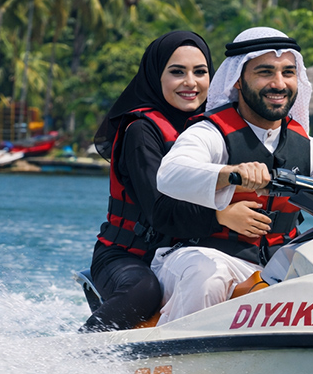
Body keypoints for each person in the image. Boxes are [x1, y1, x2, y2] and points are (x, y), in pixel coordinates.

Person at [152, 27, 313, 324]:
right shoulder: (209, 134)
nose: (278, 84)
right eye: (265, 72)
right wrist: (231, 174)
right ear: (237, 80)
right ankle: (179, 349)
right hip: (202, 255)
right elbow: (169, 175)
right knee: (208, 276)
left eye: (288, 73)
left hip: (278, 262)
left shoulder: (309, 149)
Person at [81, 31, 221, 332]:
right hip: (127, 257)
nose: (190, 82)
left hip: (185, 254)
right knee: (144, 292)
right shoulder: (142, 132)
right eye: (177, 72)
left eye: (200, 72)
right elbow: (158, 210)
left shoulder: (215, 130)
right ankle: (78, 352)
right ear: (156, 77)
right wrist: (222, 217)